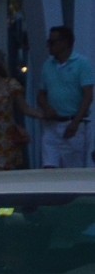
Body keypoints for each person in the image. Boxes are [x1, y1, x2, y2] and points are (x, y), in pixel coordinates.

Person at [33, 26, 93, 170]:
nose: (49, 46)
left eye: (52, 42)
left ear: (65, 42)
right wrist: (47, 108)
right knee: (49, 167)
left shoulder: (82, 63)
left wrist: (75, 122)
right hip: (52, 125)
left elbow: (88, 95)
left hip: (72, 123)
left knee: (72, 171)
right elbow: (41, 94)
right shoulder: (48, 65)